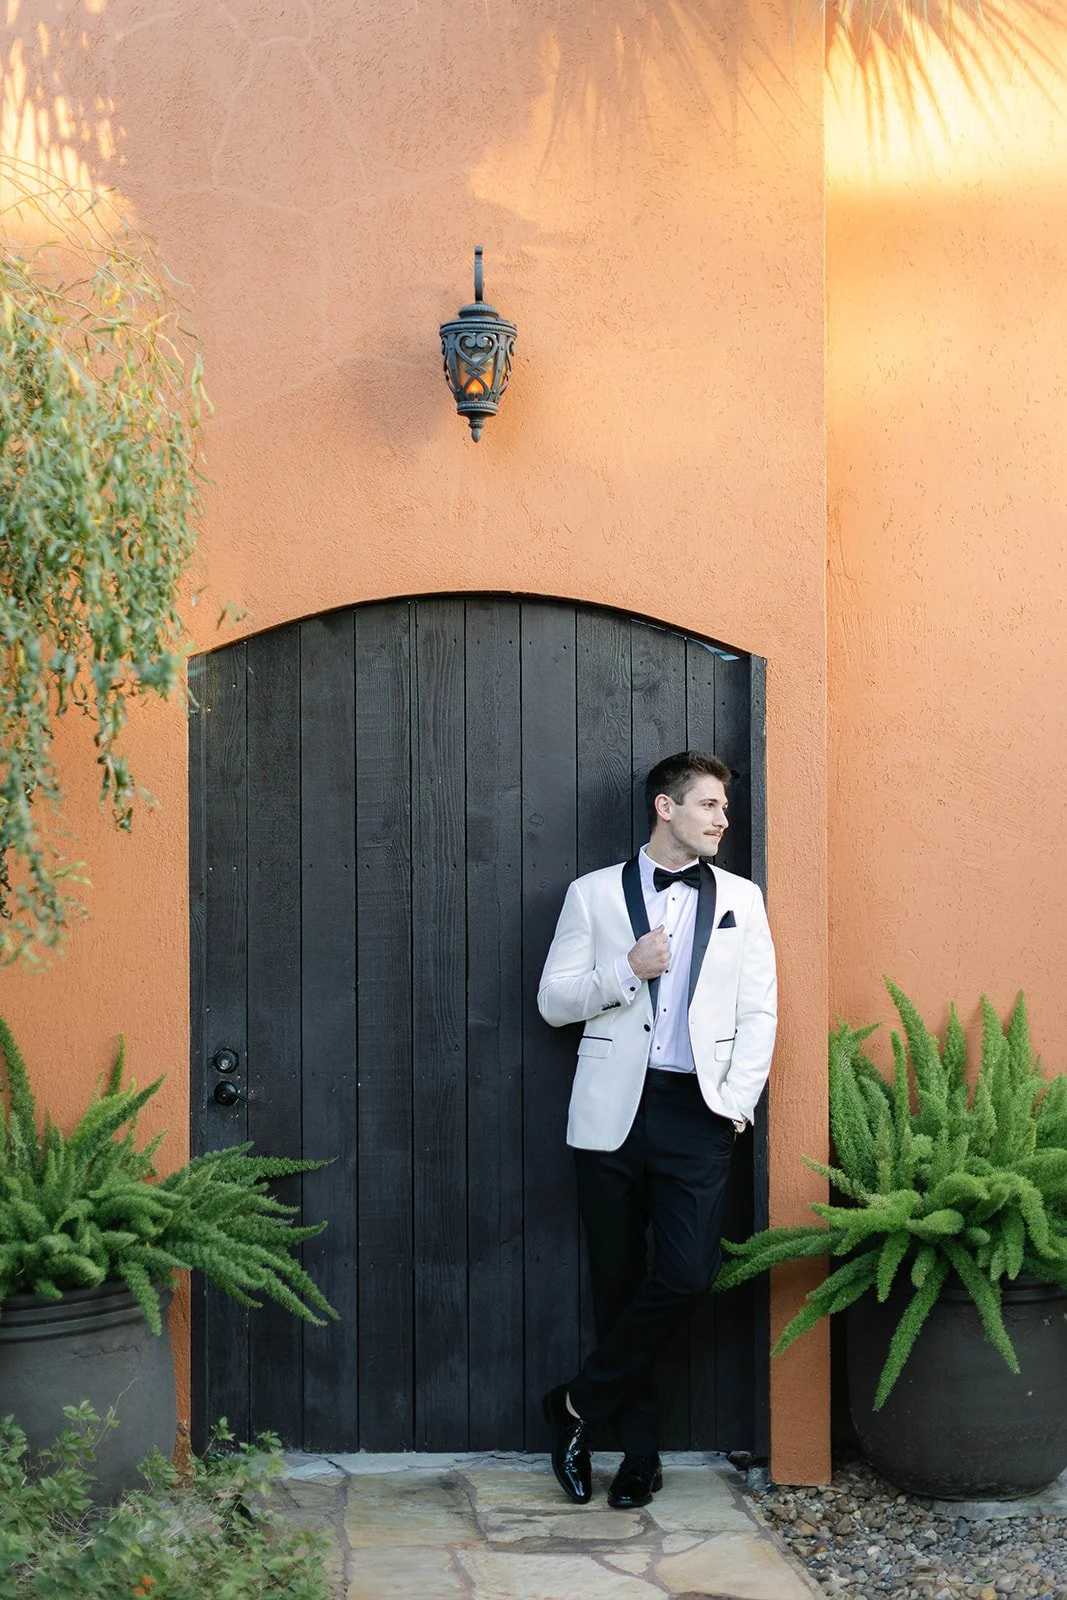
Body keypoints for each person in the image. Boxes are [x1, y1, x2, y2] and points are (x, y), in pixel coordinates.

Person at [536, 750, 777, 1509]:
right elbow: (553, 1001)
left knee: (683, 1275)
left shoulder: (741, 898)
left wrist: (733, 1107)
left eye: (723, 808)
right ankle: (637, 1457)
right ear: (665, 808)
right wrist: (625, 969)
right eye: (709, 805)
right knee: (616, 1286)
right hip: (609, 1114)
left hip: (697, 1115)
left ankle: (574, 1405)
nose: (722, 820)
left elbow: (758, 1012)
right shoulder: (591, 895)